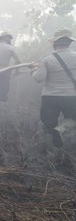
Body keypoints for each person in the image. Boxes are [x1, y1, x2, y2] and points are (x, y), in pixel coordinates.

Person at [31, 29, 76, 164]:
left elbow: (39, 78)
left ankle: (51, 156)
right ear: (69, 42)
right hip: (70, 96)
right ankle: (61, 129)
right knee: (73, 119)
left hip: (49, 96)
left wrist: (33, 70)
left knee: (48, 124)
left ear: (54, 43)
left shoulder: (46, 59)